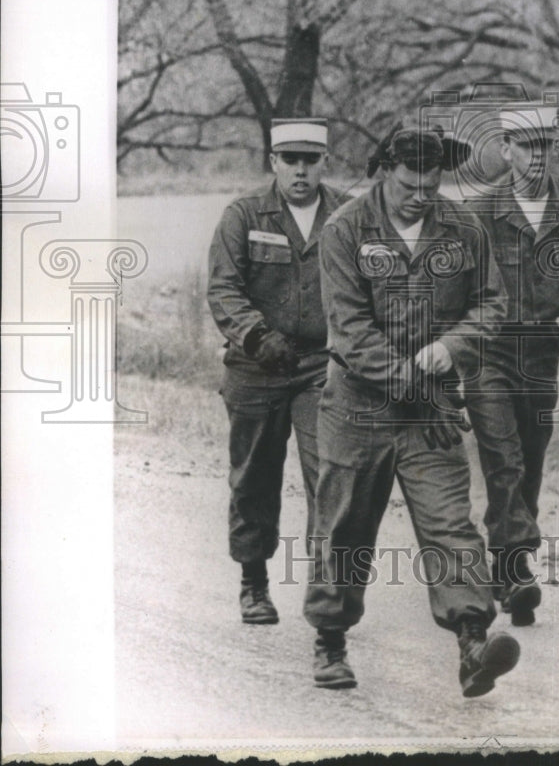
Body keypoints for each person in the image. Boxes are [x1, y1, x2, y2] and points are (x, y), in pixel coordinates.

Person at [303, 122, 521, 696]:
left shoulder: (464, 229)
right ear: (385, 173)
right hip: (359, 407)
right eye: (408, 185)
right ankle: (330, 638)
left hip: (431, 412)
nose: (421, 195)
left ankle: (474, 641)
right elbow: (349, 332)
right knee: (343, 525)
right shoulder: (345, 229)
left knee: (451, 525)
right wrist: (416, 379)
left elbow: (491, 304)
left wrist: (452, 347)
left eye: (431, 185)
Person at [464, 106, 559, 625]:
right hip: (489, 349)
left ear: (555, 149)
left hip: (543, 348)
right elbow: (459, 286)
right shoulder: (480, 211)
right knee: (502, 456)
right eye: (525, 146)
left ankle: (506, 568)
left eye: (544, 146)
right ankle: (521, 562)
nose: (535, 157)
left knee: (530, 458)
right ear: (505, 149)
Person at [207, 118, 346, 625]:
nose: (301, 171)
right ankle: (253, 582)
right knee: (254, 477)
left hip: (321, 367)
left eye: (311, 161)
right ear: (274, 162)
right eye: (291, 160)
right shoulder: (243, 215)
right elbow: (223, 289)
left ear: (324, 163)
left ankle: (324, 589)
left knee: (329, 472)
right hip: (255, 366)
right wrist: (256, 334)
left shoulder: (348, 215)